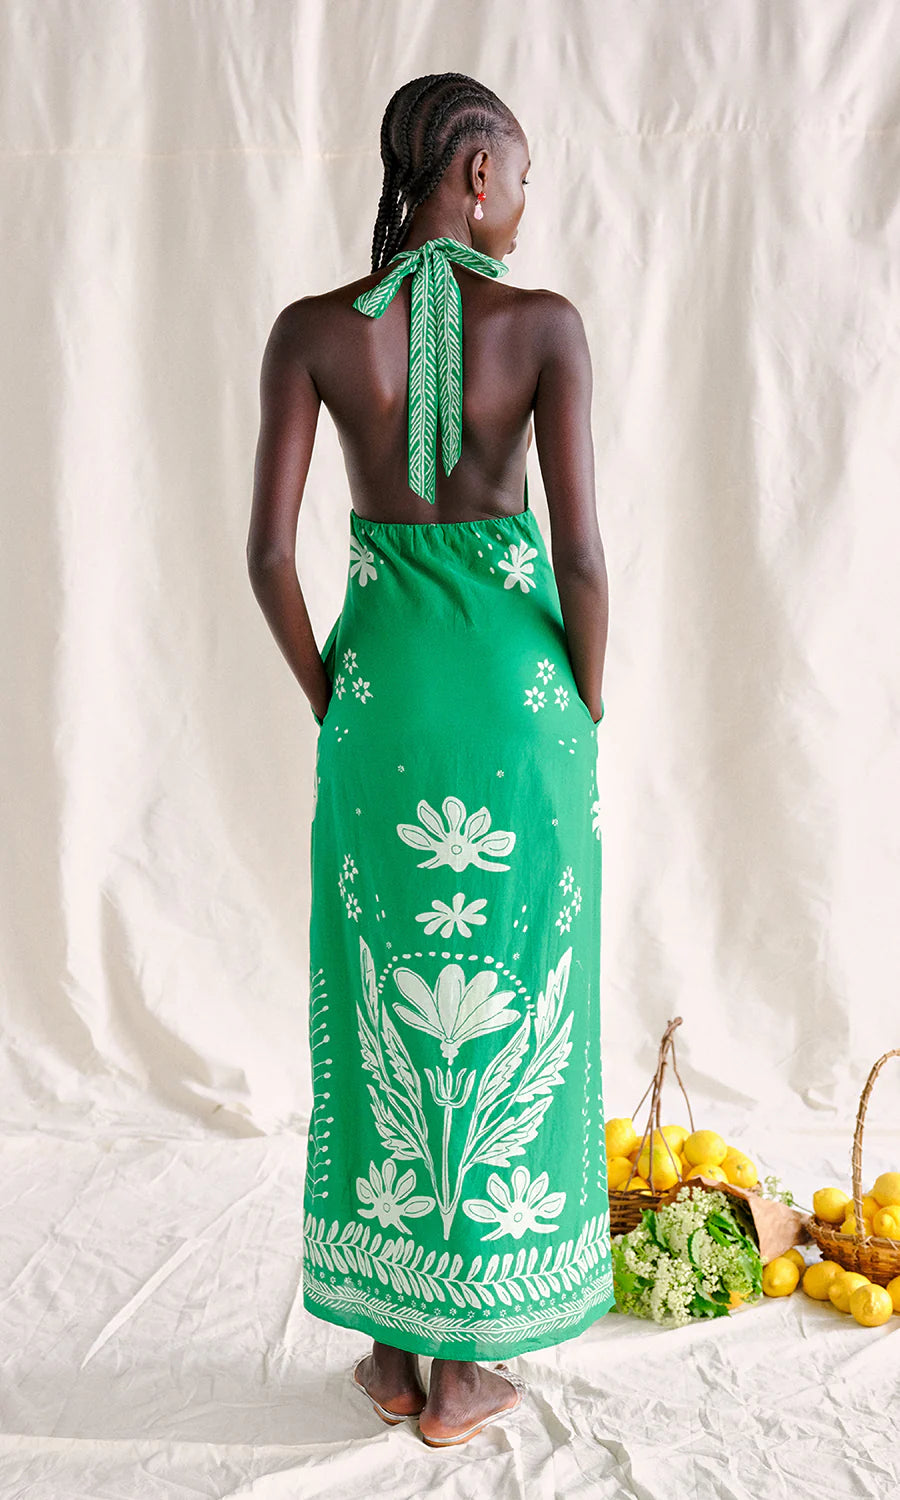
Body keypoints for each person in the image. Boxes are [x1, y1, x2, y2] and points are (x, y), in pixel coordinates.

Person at [247, 72, 611, 1449]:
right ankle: (471, 1371)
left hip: (384, 693)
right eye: (519, 173)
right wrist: (585, 704)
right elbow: (578, 554)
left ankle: (397, 1352)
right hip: (518, 702)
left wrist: (334, 689)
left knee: (387, 992)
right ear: (472, 177)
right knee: (513, 986)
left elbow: (269, 554)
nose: (525, 200)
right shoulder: (547, 326)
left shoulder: (309, 332)